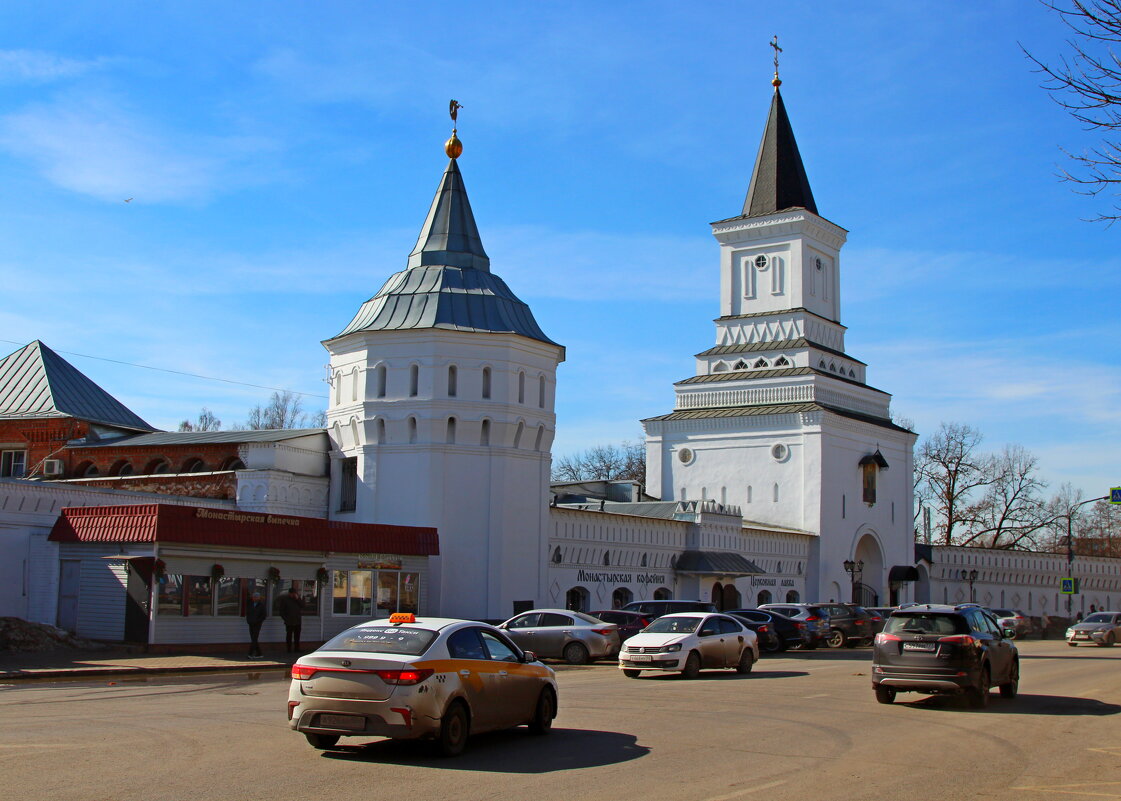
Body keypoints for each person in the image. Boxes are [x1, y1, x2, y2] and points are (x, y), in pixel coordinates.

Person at [277, 586, 305, 653]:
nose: (293, 595)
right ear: (289, 593)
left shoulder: (297, 599)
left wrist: (298, 599)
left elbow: (303, 606)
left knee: (297, 636)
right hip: (289, 621)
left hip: (297, 621)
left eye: (294, 593)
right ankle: (289, 649)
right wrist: (285, 619)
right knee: (289, 635)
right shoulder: (285, 599)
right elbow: (281, 611)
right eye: (292, 593)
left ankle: (297, 648)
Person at [246, 591, 267, 658]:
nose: (254, 598)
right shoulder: (250, 604)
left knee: (254, 638)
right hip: (251, 623)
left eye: (256, 597)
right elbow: (248, 613)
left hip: (257, 624)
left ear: (259, 598)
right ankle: (259, 653)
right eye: (254, 597)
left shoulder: (261, 605)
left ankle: (250, 654)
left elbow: (263, 615)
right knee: (253, 638)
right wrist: (248, 620)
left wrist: (258, 621)